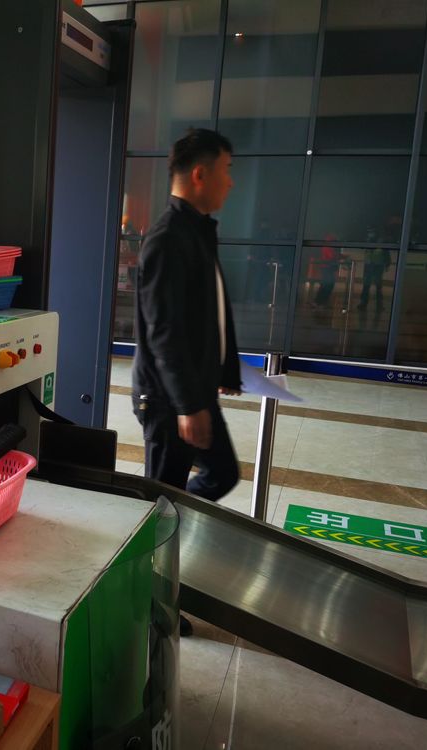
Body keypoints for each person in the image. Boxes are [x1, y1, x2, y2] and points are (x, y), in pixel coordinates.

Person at [132, 127, 242, 503]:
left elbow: (213, 309)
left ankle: (173, 519)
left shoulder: (196, 232)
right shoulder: (168, 239)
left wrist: (226, 371)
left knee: (221, 473)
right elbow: (164, 331)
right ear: (199, 174)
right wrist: (188, 406)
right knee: (162, 496)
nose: (230, 182)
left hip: (194, 387)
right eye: (226, 170)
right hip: (168, 397)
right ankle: (158, 527)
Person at [357, 227, 391, 311]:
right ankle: (364, 303)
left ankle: (378, 305)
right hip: (369, 266)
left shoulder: (381, 242)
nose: (370, 234)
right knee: (367, 286)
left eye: (371, 232)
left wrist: (387, 264)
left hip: (376, 266)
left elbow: (386, 254)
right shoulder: (368, 241)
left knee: (377, 286)